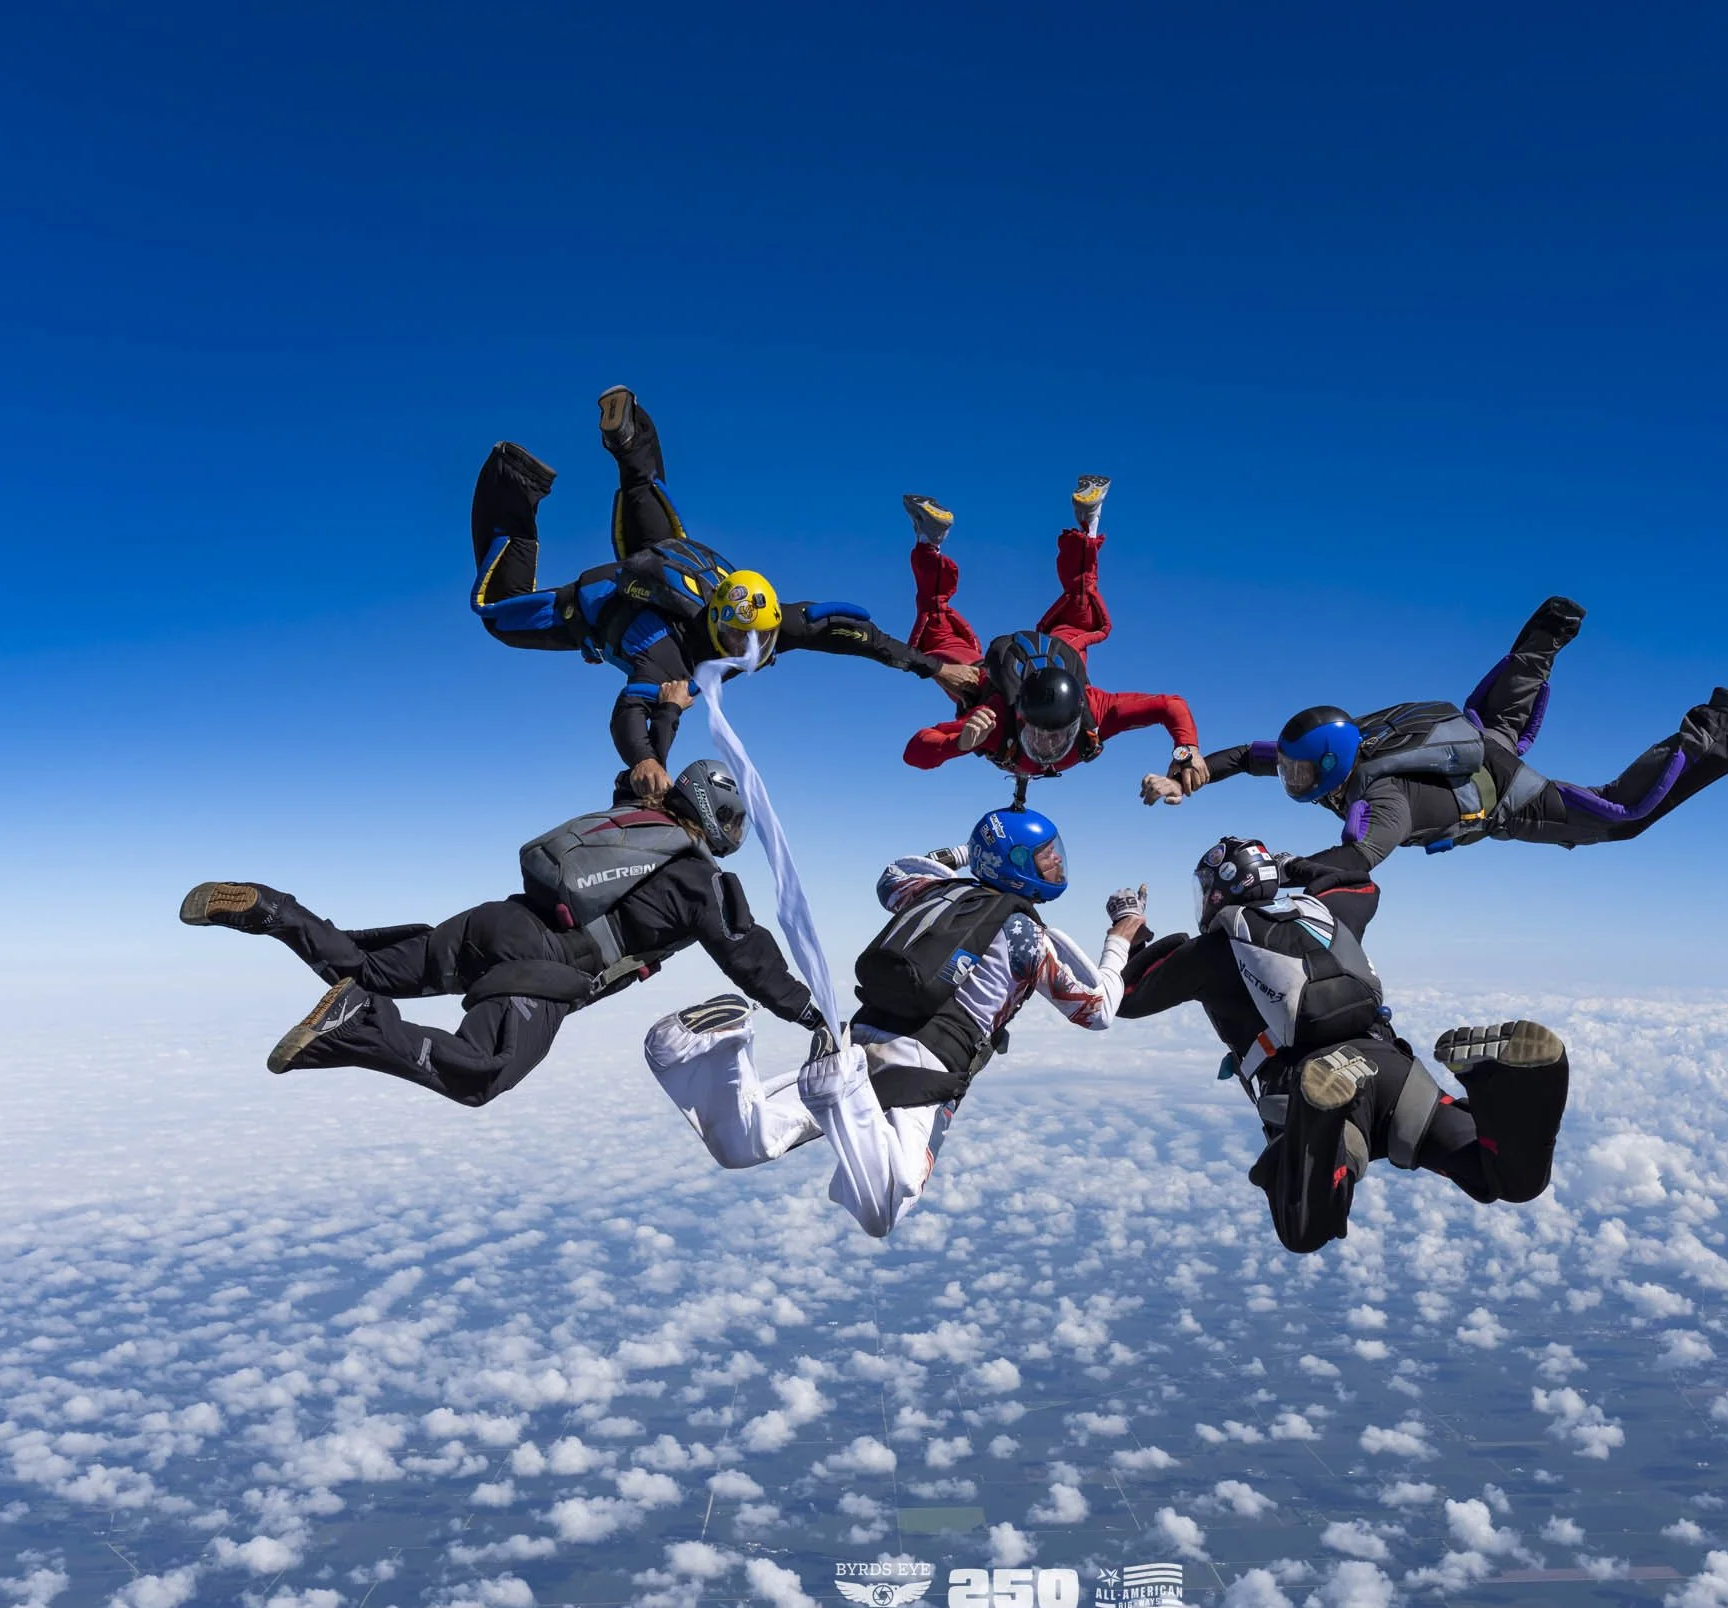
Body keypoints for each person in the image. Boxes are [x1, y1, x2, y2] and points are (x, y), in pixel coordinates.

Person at [179, 760, 825, 1106]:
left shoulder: (632, 812)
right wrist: (809, 1012)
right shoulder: (697, 879)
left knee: (368, 962)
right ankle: (357, 1022)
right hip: (544, 966)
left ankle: (271, 909)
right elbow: (749, 955)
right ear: (716, 820)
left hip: (496, 921)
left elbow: (632, 761)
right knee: (481, 1074)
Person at [469, 387, 983, 799]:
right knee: (497, 614)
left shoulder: (769, 625)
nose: (748, 653)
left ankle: (627, 437)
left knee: (648, 500)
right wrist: (649, 761)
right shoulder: (665, 654)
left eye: (757, 640)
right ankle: (515, 477)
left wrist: (934, 667)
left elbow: (850, 632)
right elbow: (631, 713)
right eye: (737, 642)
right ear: (716, 623)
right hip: (603, 604)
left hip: (669, 561)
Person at [643, 805, 1123, 1236]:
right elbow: (1096, 1010)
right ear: (1017, 864)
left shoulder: (930, 891)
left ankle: (706, 1045)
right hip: (921, 1068)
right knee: (886, 1206)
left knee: (743, 1142)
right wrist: (1119, 938)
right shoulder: (1030, 938)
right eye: (1044, 855)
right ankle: (839, 1092)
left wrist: (970, 853)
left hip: (857, 1040)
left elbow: (892, 874)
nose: (1057, 862)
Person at [1105, 837, 1572, 1253]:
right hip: (1393, 1069)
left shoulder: (1210, 952)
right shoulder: (1328, 910)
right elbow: (1361, 885)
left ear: (1215, 892)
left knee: (1304, 1228)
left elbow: (1121, 998)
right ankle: (1522, 1083)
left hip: (1318, 1083)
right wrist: (1294, 868)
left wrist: (1129, 929)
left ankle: (1319, 1114)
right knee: (1503, 1179)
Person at [1142, 597, 1728, 876]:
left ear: (1333, 766)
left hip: (1506, 794)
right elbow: (1251, 756)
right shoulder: (1347, 739)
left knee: (1622, 815)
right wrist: (1187, 777)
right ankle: (1546, 634)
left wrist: (1282, 872)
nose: (1292, 782)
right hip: (1474, 736)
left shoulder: (1377, 801)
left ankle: (1714, 727)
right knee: (1505, 716)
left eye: (1301, 776)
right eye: (1291, 773)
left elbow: (1360, 857)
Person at [898, 482, 1207, 798]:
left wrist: (1187, 749)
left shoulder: (1095, 709)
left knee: (1075, 609)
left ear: (1076, 718)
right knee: (940, 636)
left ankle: (932, 540)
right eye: (1038, 734)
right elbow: (915, 753)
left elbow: (1171, 706)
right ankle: (932, 540)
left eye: (1057, 736)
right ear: (1020, 717)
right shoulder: (994, 719)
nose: (1047, 746)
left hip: (1056, 660)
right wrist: (961, 741)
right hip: (997, 679)